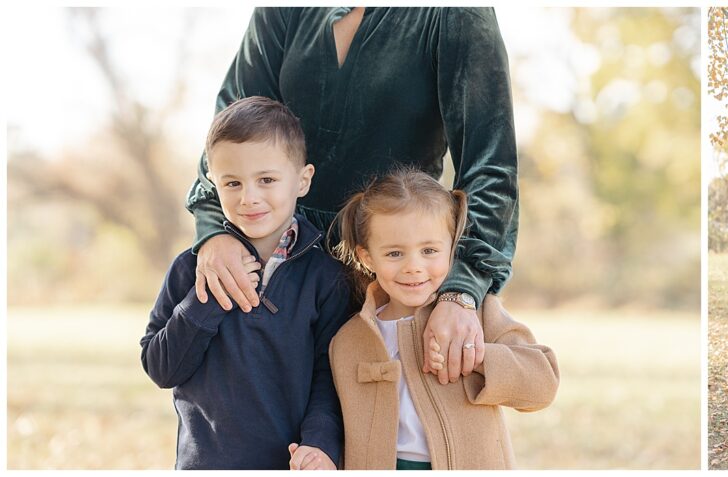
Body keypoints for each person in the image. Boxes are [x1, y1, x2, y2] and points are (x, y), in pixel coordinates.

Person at [184, 7, 519, 385]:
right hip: (280, 267)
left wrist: (461, 291)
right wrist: (216, 230)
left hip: (390, 275)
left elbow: (492, 165)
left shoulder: (454, 13)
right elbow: (230, 128)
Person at [140, 97, 347, 470]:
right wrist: (207, 300)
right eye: (232, 183)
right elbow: (160, 368)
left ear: (303, 180)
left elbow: (329, 377)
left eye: (266, 180)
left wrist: (320, 445)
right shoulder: (191, 269)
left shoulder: (325, 277)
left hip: (291, 465)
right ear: (213, 184)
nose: (248, 198)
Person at [327, 168, 558, 469]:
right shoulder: (347, 341)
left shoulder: (477, 314)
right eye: (395, 253)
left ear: (452, 249)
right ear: (368, 257)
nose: (414, 267)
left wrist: (476, 357)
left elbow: (542, 385)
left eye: (429, 250)